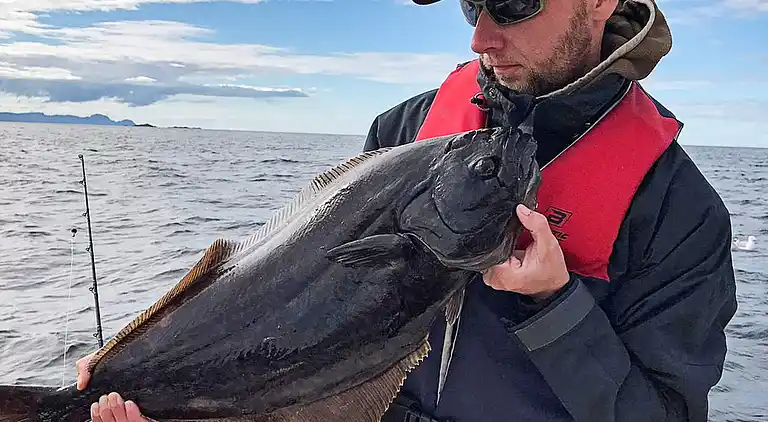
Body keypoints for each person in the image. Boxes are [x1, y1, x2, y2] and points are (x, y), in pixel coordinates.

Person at [76, 0, 738, 421]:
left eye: (511, 4)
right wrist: (146, 357)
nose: (481, 36)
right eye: (470, 4)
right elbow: (280, 286)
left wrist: (558, 305)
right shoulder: (405, 128)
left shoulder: (679, 213)